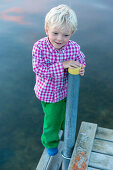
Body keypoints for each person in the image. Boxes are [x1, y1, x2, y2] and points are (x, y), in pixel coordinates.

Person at [32, 4, 86, 156]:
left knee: (62, 116)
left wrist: (82, 67)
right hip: (48, 93)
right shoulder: (39, 47)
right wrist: (63, 64)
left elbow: (80, 58)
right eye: (55, 33)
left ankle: (64, 129)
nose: (60, 39)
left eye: (66, 35)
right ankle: (50, 142)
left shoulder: (74, 47)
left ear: (72, 33)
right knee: (51, 122)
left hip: (65, 90)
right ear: (47, 29)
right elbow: (39, 69)